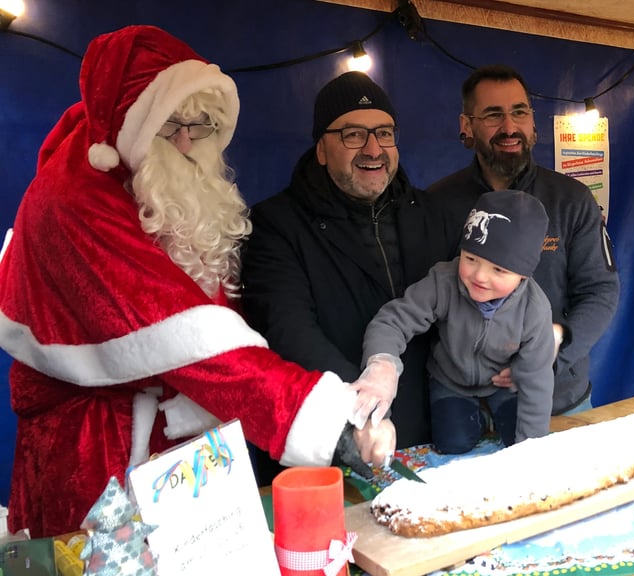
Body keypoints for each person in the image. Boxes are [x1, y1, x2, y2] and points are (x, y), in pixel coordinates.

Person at [0, 26, 392, 538]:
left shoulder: (162, 185)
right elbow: (192, 341)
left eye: (201, 123)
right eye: (169, 124)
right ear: (132, 122)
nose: (187, 140)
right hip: (102, 459)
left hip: (187, 453)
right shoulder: (72, 203)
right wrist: (331, 419)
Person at [240, 72, 451, 477]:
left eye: (384, 133)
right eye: (354, 134)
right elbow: (290, 331)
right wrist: (364, 409)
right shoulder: (275, 223)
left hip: (433, 436)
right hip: (333, 443)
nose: (374, 149)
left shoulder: (432, 213)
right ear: (321, 149)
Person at [429, 64, 619, 416]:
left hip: (558, 403)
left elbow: (601, 291)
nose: (509, 127)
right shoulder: (437, 203)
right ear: (466, 126)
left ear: (533, 121)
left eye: (519, 112)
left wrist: (555, 347)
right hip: (466, 409)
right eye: (492, 115)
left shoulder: (572, 199)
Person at [360, 190, 555, 454]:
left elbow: (538, 382)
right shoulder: (444, 281)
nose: (480, 276)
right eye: (471, 259)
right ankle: (479, 418)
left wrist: (531, 450)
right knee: (454, 442)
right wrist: (381, 362)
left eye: (499, 269)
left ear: (523, 275)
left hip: (502, 383)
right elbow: (392, 321)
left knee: (521, 439)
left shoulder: (535, 308)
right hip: (449, 380)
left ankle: (491, 415)